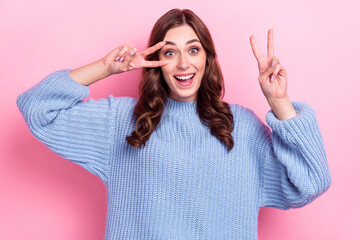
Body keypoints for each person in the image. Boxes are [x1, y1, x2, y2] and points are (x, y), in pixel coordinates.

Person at [16, 8, 331, 240]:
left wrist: (279, 100)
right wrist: (104, 68)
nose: (183, 64)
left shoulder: (241, 127)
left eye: (193, 50)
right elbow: (38, 108)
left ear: (207, 58)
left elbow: (312, 182)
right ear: (157, 61)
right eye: (170, 52)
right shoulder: (123, 122)